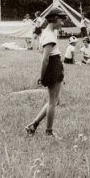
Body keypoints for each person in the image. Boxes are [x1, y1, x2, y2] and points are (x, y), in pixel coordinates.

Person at [25, 8, 67, 138]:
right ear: (54, 19)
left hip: (55, 65)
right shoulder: (49, 35)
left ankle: (33, 125)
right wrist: (42, 77)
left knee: (54, 101)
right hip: (53, 66)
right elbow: (45, 59)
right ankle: (49, 132)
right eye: (61, 20)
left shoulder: (47, 32)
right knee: (53, 102)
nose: (62, 23)